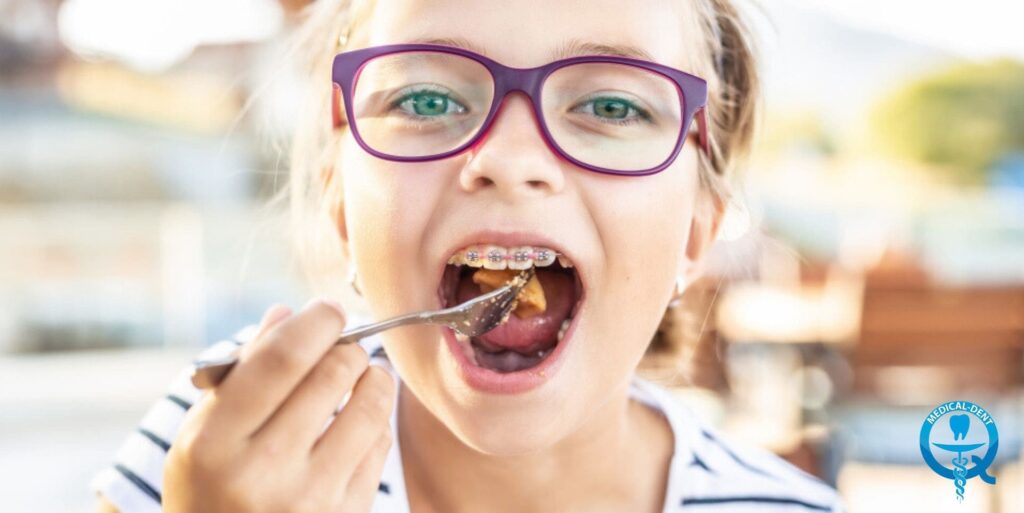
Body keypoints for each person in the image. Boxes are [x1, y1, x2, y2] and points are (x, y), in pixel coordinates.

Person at [93, 0, 845, 511]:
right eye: (425, 100)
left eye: (612, 106)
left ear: (695, 234)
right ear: (342, 207)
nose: (509, 158)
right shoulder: (231, 448)